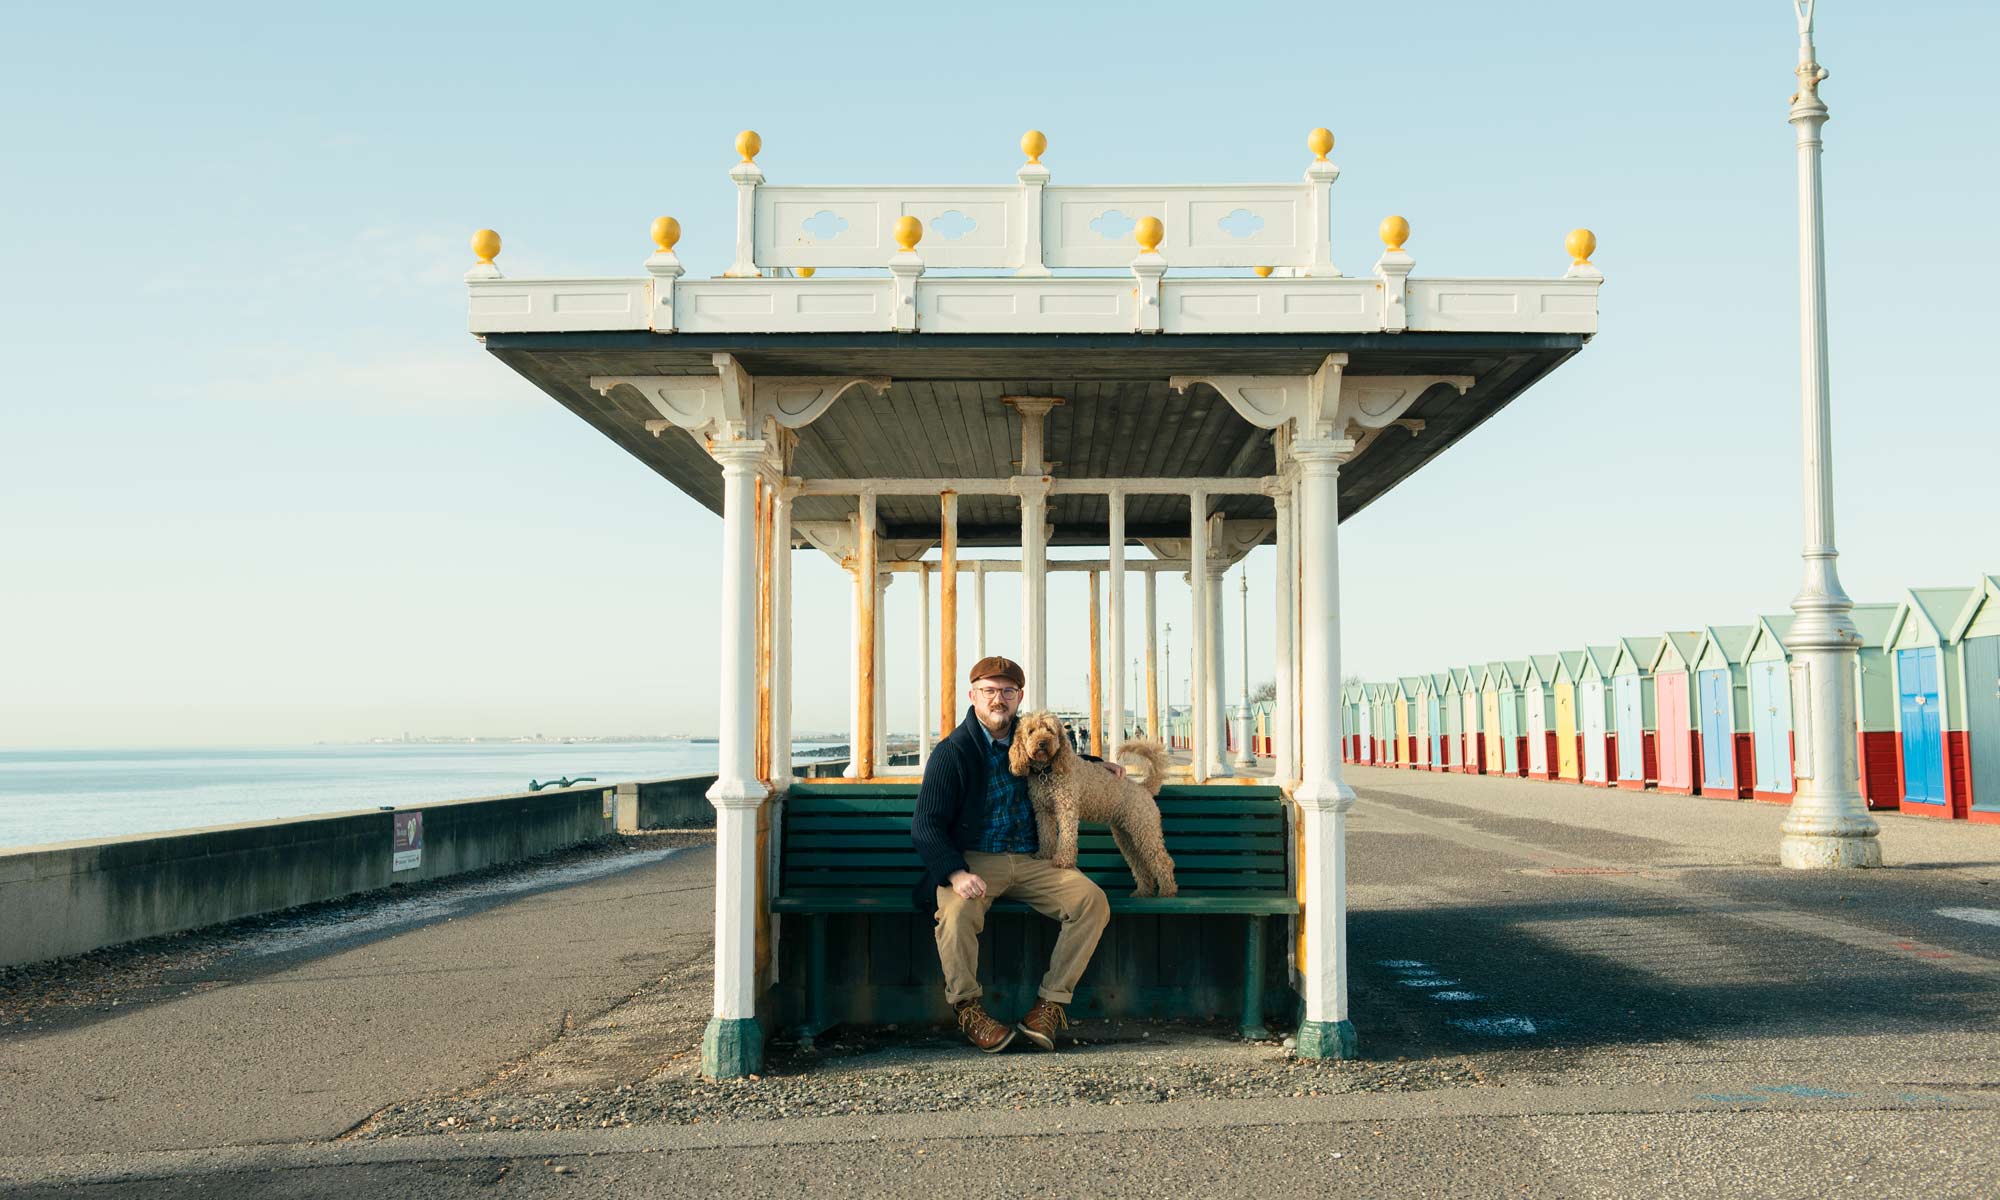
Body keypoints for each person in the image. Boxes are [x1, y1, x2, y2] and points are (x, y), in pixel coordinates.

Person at [911, 655, 1123, 1052]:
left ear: (1018, 696)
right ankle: (967, 1007)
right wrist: (956, 873)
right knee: (955, 915)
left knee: (1091, 901)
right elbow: (926, 825)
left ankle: (1049, 1005)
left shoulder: (1029, 737)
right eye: (990, 691)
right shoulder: (953, 752)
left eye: (1007, 691)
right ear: (973, 695)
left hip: (1031, 861)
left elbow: (1059, 757)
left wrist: (1096, 766)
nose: (998, 699)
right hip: (975, 860)